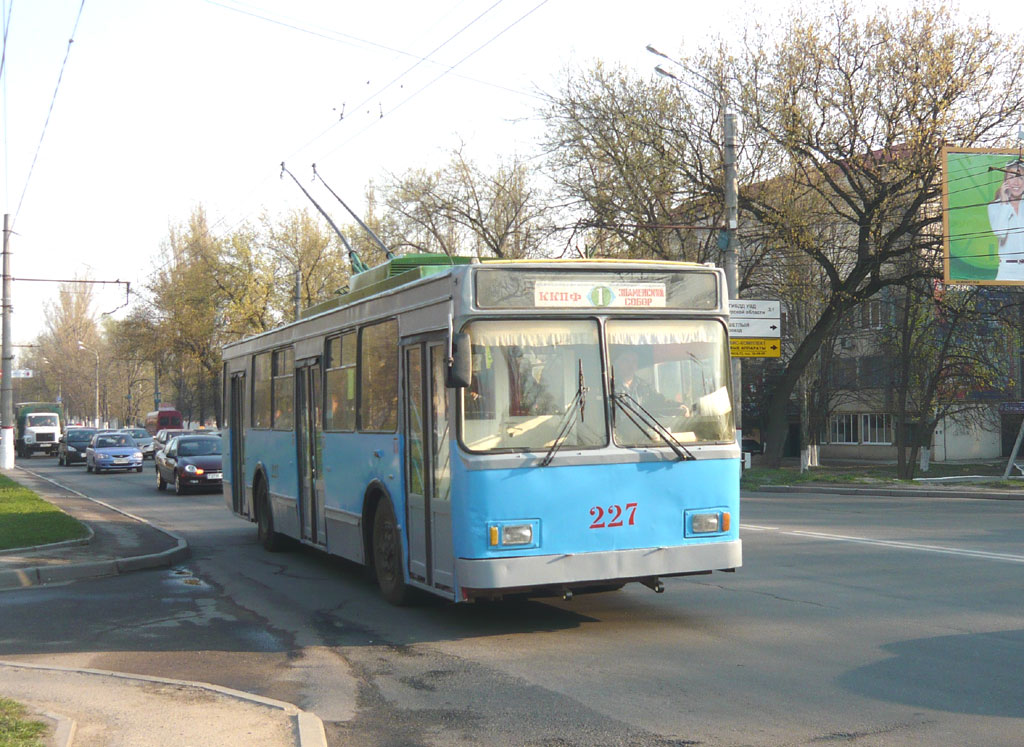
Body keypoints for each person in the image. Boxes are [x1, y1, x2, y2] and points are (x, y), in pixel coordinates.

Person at [613, 350, 690, 416]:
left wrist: (679, 406)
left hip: (643, 429)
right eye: (626, 361)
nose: (631, 365)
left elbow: (660, 401)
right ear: (618, 363)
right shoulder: (610, 387)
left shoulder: (644, 386)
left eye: (634, 361)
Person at [987, 161, 1024, 282]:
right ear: (1005, 181)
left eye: (1021, 178)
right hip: (1007, 270)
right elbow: (1001, 234)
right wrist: (1004, 203)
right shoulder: (994, 206)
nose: (1016, 182)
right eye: (1012, 177)